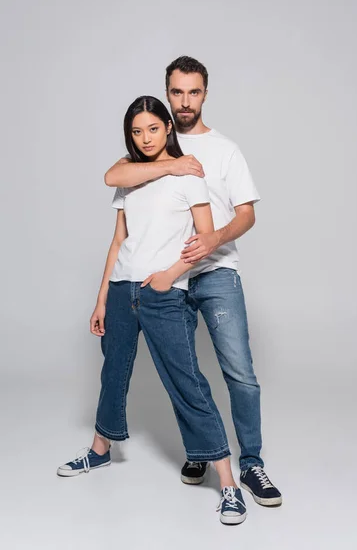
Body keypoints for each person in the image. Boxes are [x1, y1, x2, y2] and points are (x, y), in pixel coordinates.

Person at [57, 96, 247, 525]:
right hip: (123, 290)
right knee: (113, 372)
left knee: (187, 381)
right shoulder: (133, 177)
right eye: (137, 132)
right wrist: (102, 297)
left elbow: (205, 238)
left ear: (167, 127)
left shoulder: (191, 175)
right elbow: (118, 239)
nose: (145, 138)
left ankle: (229, 485)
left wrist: (171, 273)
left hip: (163, 293)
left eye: (153, 129)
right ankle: (100, 451)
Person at [104, 56, 283, 507]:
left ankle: (252, 463)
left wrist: (212, 241)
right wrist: (168, 166)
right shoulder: (153, 139)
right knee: (183, 371)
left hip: (215, 271)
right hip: (167, 280)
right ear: (167, 95)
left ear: (205, 94)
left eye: (194, 92)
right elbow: (116, 177)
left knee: (238, 371)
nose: (185, 101)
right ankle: (201, 453)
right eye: (177, 92)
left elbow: (247, 213)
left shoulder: (225, 150)